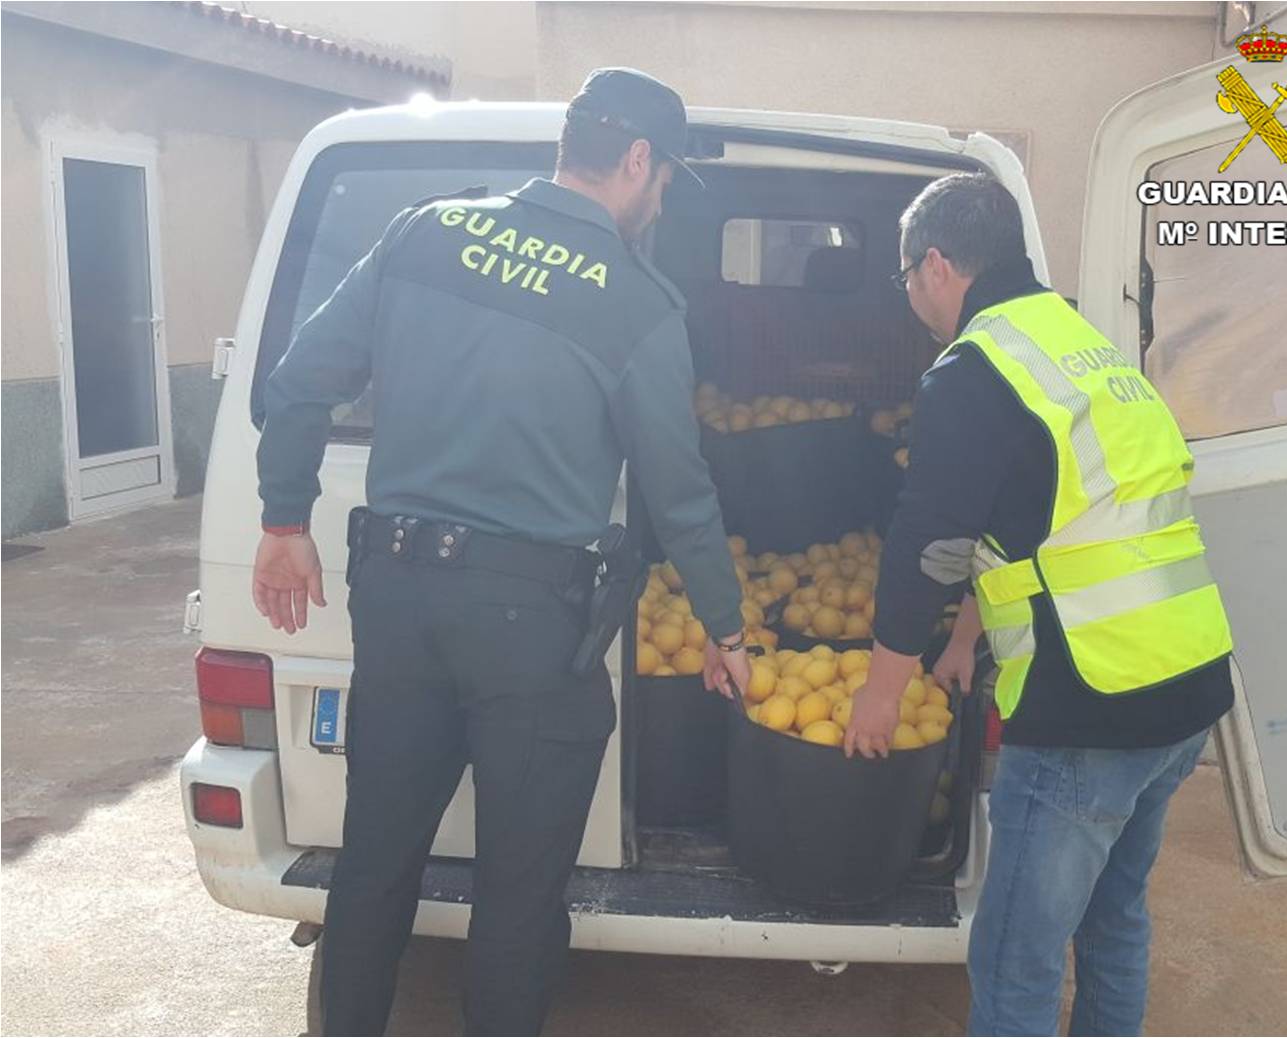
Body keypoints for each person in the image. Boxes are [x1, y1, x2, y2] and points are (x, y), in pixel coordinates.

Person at [250, 68, 751, 1036]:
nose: (658, 201)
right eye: (662, 178)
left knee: (373, 862)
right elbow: (677, 488)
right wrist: (724, 627)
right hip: (530, 628)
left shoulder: (423, 231)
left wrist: (283, 523)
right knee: (519, 895)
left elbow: (298, 381)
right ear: (637, 160)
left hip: (397, 599)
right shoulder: (637, 301)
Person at [844, 172, 1235, 1036]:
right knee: (1113, 921)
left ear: (937, 265)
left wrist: (881, 693)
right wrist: (965, 639)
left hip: (1089, 706)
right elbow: (1042, 516)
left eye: (906, 277)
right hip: (1187, 680)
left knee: (1016, 961)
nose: (910, 296)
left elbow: (929, 545)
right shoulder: (1081, 344)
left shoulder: (973, 369)